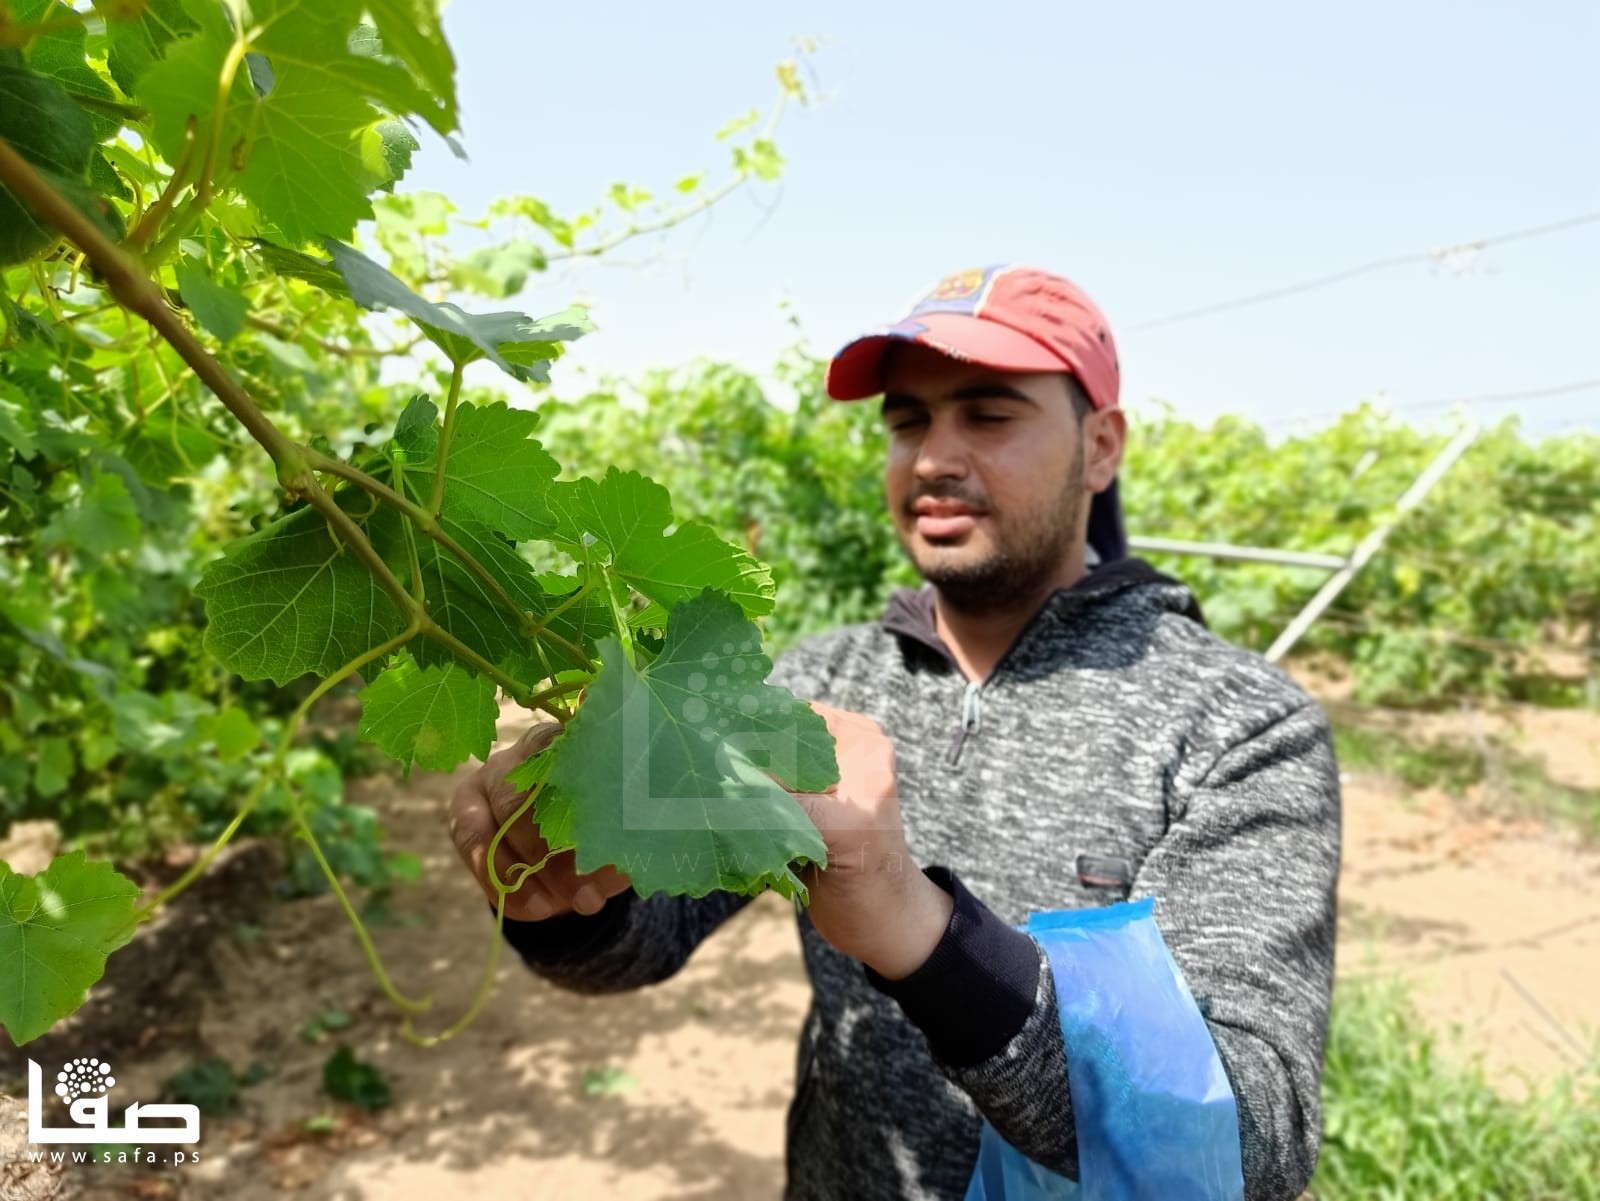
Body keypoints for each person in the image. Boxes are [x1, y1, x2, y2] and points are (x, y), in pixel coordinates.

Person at [448, 265, 1342, 1201]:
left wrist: (924, 934)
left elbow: (1252, 1138)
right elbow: (652, 932)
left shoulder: (1241, 726)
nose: (931, 458)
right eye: (907, 421)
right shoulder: (820, 683)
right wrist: (566, 894)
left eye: (988, 415)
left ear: (1101, 446)